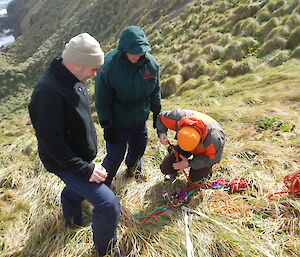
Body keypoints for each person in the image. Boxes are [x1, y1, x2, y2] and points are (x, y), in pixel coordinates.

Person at [28, 33, 120, 256]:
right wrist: (85, 170)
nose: (95, 74)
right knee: (108, 204)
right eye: (93, 69)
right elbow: (52, 143)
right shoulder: (47, 93)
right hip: (64, 162)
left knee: (75, 193)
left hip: (80, 158)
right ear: (79, 63)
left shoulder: (73, 80)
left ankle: (70, 216)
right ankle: (105, 252)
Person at [95, 26, 161, 186]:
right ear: (124, 50)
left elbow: (155, 90)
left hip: (139, 119)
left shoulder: (150, 65)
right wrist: (107, 125)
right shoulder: (108, 67)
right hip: (118, 122)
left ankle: (132, 170)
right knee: (115, 156)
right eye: (134, 52)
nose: (138, 55)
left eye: (141, 51)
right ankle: (101, 187)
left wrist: (157, 113)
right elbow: (102, 99)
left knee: (138, 150)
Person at [156, 109, 225, 183]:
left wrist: (189, 163)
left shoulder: (215, 139)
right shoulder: (178, 119)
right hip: (185, 143)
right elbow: (161, 117)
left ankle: (206, 173)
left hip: (204, 154)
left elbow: (213, 159)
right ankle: (173, 173)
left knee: (195, 181)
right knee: (166, 167)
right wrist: (162, 133)